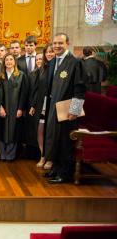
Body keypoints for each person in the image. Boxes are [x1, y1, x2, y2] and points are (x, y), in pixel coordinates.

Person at [44, 33, 86, 184]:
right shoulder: (53, 61)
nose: (56, 46)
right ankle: (55, 168)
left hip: (67, 109)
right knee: (54, 138)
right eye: (55, 43)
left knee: (65, 141)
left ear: (67, 43)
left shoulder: (74, 63)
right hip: (53, 107)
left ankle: (65, 173)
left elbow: (80, 89)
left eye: (60, 43)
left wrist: (75, 110)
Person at [0, 54, 28, 161]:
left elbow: (24, 93)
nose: (9, 61)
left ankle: (10, 155)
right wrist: (0, 107)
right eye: (6, 60)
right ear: (4, 62)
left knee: (13, 131)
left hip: (15, 108)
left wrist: (20, 108)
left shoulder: (21, 75)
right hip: (3, 108)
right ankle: (2, 154)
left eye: (11, 59)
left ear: (15, 62)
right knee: (2, 130)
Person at [29, 44, 55, 169]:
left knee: (50, 131)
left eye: (52, 52)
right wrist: (33, 105)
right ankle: (43, 155)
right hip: (41, 104)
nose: (49, 54)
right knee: (40, 130)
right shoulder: (42, 69)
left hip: (54, 105)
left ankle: (50, 157)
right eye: (47, 52)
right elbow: (36, 89)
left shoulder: (58, 67)